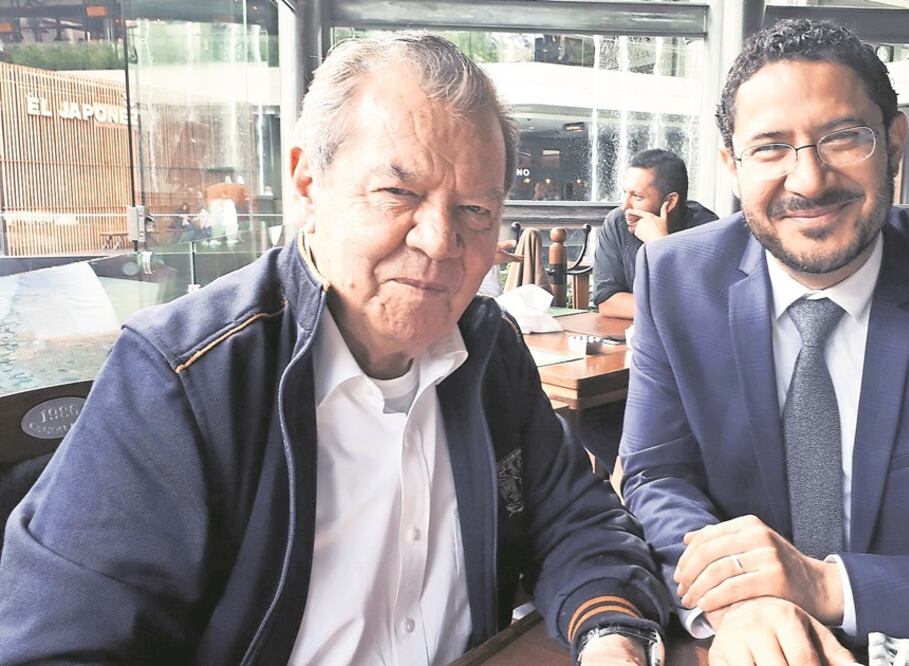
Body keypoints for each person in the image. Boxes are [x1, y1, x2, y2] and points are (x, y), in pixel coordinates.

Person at [0, 34, 669, 665]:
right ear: (306, 183)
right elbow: (62, 643)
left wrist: (609, 631)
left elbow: (574, 520)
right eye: (398, 192)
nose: (440, 241)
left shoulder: (489, 350)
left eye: (474, 210)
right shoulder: (184, 376)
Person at [619, 18, 909, 665]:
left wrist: (824, 586)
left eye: (842, 138)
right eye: (770, 148)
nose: (808, 180)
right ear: (732, 167)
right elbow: (657, 475)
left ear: (894, 143)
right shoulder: (673, 280)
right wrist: (744, 600)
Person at [593, 149, 717, 319]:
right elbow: (607, 301)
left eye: (637, 196)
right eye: (625, 193)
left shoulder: (707, 230)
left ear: (670, 201)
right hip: (629, 332)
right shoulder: (618, 221)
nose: (625, 206)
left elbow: (700, 306)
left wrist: (659, 244)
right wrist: (669, 309)